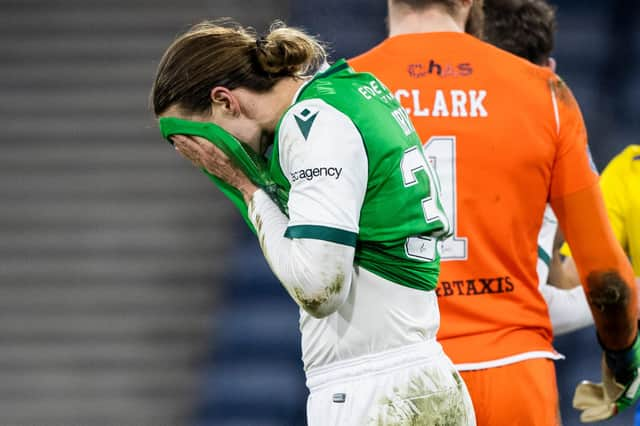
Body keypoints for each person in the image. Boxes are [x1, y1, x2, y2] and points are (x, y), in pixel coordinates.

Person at [151, 20, 476, 425]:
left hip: (375, 391)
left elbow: (320, 288)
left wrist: (247, 190)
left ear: (225, 100)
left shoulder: (310, 124)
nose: (204, 158)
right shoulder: (346, 91)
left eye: (196, 141)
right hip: (413, 378)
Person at [349, 0, 640, 424]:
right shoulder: (547, 94)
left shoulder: (337, 92)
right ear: (469, 2)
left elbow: (310, 257)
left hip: (393, 377)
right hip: (513, 372)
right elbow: (605, 273)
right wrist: (623, 360)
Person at [483, 0, 594, 336]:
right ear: (550, 68)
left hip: (422, 339)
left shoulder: (420, 110)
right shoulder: (555, 118)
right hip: (517, 346)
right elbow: (578, 256)